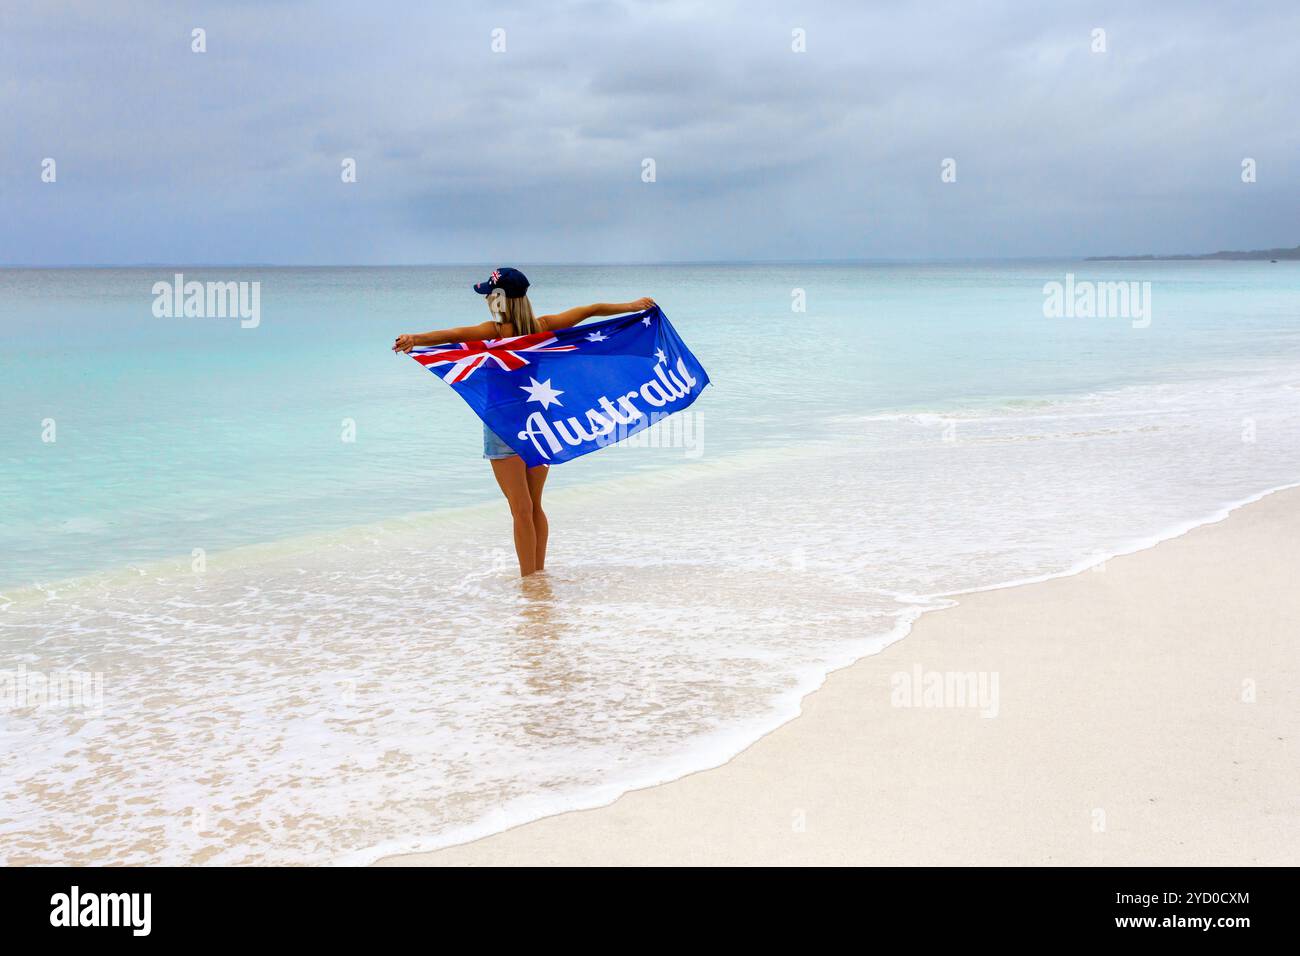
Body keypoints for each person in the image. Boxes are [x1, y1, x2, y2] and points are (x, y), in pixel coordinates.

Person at [393, 267, 655, 576]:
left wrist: (416, 339)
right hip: (538, 425)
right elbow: (591, 310)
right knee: (534, 506)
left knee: (520, 510)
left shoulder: (493, 332)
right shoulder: (543, 327)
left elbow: (452, 335)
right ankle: (538, 576)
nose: (487, 299)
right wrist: (633, 305)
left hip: (503, 425)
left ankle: (529, 582)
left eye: (490, 295)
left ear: (500, 300)